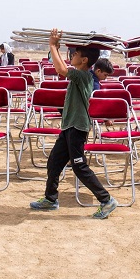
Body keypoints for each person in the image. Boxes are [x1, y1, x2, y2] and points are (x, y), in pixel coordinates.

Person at [29, 28, 118, 219]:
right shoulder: (80, 73)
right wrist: (57, 48)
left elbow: (61, 70)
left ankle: (106, 200)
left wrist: (52, 45)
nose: (73, 55)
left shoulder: (84, 75)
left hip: (77, 128)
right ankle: (50, 199)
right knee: (54, 162)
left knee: (79, 167)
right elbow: (63, 67)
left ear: (84, 60)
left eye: (76, 53)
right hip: (69, 126)